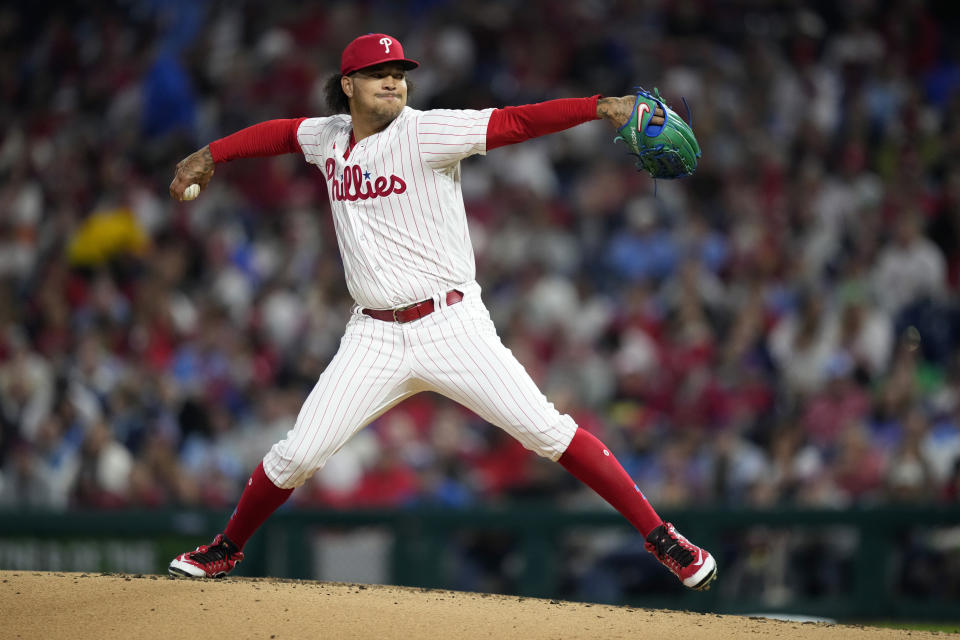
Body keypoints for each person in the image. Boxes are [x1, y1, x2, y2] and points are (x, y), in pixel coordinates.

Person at [166, 32, 717, 591]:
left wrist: (600, 106)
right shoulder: (328, 136)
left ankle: (663, 538)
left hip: (450, 324)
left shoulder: (427, 131)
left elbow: (515, 122)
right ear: (348, 86)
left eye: (400, 73)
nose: (393, 81)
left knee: (547, 431)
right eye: (380, 73)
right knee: (296, 455)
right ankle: (226, 548)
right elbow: (281, 133)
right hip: (373, 336)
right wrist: (211, 154)